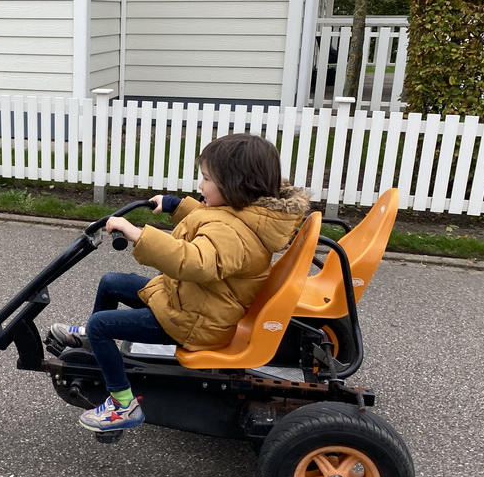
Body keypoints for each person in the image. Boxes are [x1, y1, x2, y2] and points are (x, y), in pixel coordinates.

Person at [51, 133, 312, 433]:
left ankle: (122, 403)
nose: (201, 186)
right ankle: (95, 346)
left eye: (206, 179)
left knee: (101, 325)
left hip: (195, 322)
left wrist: (138, 234)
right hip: (194, 302)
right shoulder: (247, 215)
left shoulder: (235, 235)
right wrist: (175, 205)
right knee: (111, 282)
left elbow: (194, 261)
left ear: (235, 185)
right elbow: (214, 218)